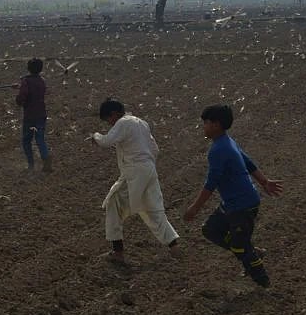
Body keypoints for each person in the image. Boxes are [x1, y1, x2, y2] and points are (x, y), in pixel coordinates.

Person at [183, 105, 282, 288]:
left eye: (206, 123)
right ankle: (251, 251)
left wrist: (195, 208)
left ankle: (264, 284)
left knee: (239, 246)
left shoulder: (219, 150)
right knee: (211, 230)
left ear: (216, 125)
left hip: (242, 205)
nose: (203, 127)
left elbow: (211, 183)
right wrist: (264, 182)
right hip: (233, 203)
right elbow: (248, 161)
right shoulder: (227, 141)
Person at [89, 99, 179, 263]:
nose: (110, 124)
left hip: (134, 171)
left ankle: (118, 253)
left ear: (114, 114)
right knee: (154, 209)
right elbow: (155, 149)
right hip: (149, 169)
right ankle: (174, 247)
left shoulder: (123, 123)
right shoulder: (141, 123)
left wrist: (95, 136)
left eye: (109, 119)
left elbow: (106, 141)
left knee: (113, 202)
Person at [16, 58, 52, 173]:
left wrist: (18, 98)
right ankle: (46, 159)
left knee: (26, 140)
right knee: (40, 139)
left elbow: (23, 96)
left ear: (28, 68)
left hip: (30, 117)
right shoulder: (42, 81)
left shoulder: (26, 81)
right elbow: (34, 90)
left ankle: (31, 165)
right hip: (41, 115)